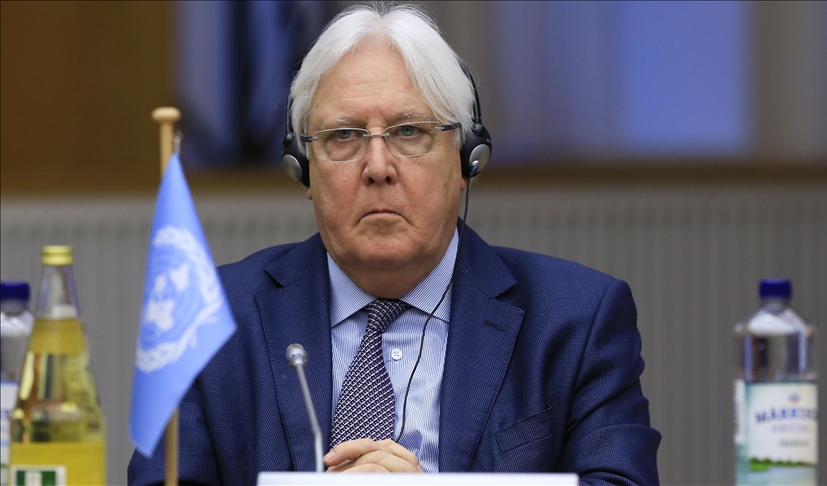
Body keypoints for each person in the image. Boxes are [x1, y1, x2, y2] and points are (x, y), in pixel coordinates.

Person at [129, 3, 661, 484]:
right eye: (344, 136)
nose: (378, 167)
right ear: (304, 169)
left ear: (466, 161)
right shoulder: (211, 318)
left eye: (409, 132)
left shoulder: (575, 321)